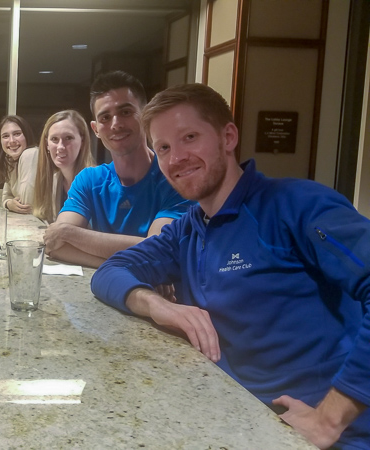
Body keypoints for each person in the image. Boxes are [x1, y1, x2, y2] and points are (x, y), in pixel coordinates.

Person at [92, 83, 370, 449]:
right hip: (234, 421)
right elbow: (108, 274)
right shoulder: (188, 230)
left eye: (189, 137)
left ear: (228, 136)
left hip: (318, 435)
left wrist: (329, 419)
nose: (176, 158)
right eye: (163, 148)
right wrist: (160, 307)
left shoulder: (296, 206)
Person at [43, 71, 192, 267]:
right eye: (105, 117)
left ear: (145, 115)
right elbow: (55, 245)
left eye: (125, 112)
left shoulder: (175, 179)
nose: (116, 124)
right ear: (95, 129)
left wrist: (69, 233)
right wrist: (121, 265)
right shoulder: (89, 180)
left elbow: (158, 249)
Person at [32, 110, 95, 223]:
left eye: (68, 138)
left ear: (83, 141)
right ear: (47, 144)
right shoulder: (54, 181)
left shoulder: (97, 183)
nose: (60, 146)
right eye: (54, 139)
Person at [0, 115, 38, 214]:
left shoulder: (31, 154)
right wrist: (9, 203)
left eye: (17, 134)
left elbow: (26, 204)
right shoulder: (10, 159)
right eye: (5, 136)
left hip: (43, 223)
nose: (11, 141)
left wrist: (11, 203)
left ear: (26, 135)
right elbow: (6, 196)